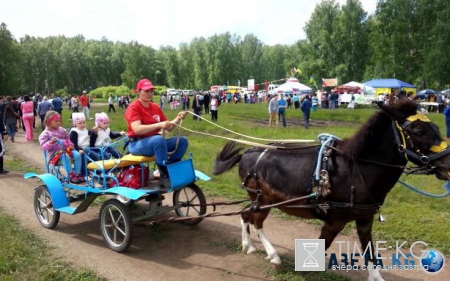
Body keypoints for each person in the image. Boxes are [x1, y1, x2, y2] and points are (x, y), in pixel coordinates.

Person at [124, 79, 188, 188]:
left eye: (151, 91)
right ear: (139, 92)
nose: (150, 93)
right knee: (158, 140)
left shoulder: (155, 107)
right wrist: (159, 125)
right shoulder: (134, 108)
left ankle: (170, 169)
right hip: (136, 144)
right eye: (146, 91)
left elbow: (168, 127)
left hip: (155, 142)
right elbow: (137, 129)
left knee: (182, 141)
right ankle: (164, 175)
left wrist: (177, 118)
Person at [39, 111, 84, 183]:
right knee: (64, 155)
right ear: (48, 122)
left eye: (59, 121)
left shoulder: (62, 130)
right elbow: (43, 147)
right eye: (56, 121)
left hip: (66, 149)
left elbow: (67, 139)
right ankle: (70, 175)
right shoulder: (45, 133)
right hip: (54, 155)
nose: (58, 123)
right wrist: (50, 142)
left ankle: (77, 173)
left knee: (77, 154)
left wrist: (71, 145)